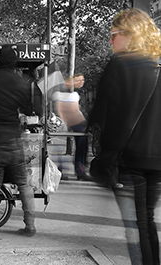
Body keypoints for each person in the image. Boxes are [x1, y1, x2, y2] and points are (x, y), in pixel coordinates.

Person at [88, 8, 161, 265]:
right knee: (147, 222)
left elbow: (103, 116)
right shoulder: (159, 64)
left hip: (128, 161)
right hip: (157, 161)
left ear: (131, 35)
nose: (111, 41)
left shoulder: (120, 65)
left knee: (135, 227)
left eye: (114, 35)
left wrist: (104, 158)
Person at [0, 45, 38, 239]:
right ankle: (30, 226)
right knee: (24, 185)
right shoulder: (20, 82)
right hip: (14, 138)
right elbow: (29, 109)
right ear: (15, 62)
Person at [53, 75, 92, 181]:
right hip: (76, 123)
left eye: (82, 80)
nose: (81, 82)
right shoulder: (69, 94)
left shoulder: (69, 93)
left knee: (81, 148)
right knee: (81, 148)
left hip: (74, 122)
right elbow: (73, 111)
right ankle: (79, 171)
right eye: (78, 80)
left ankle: (77, 171)